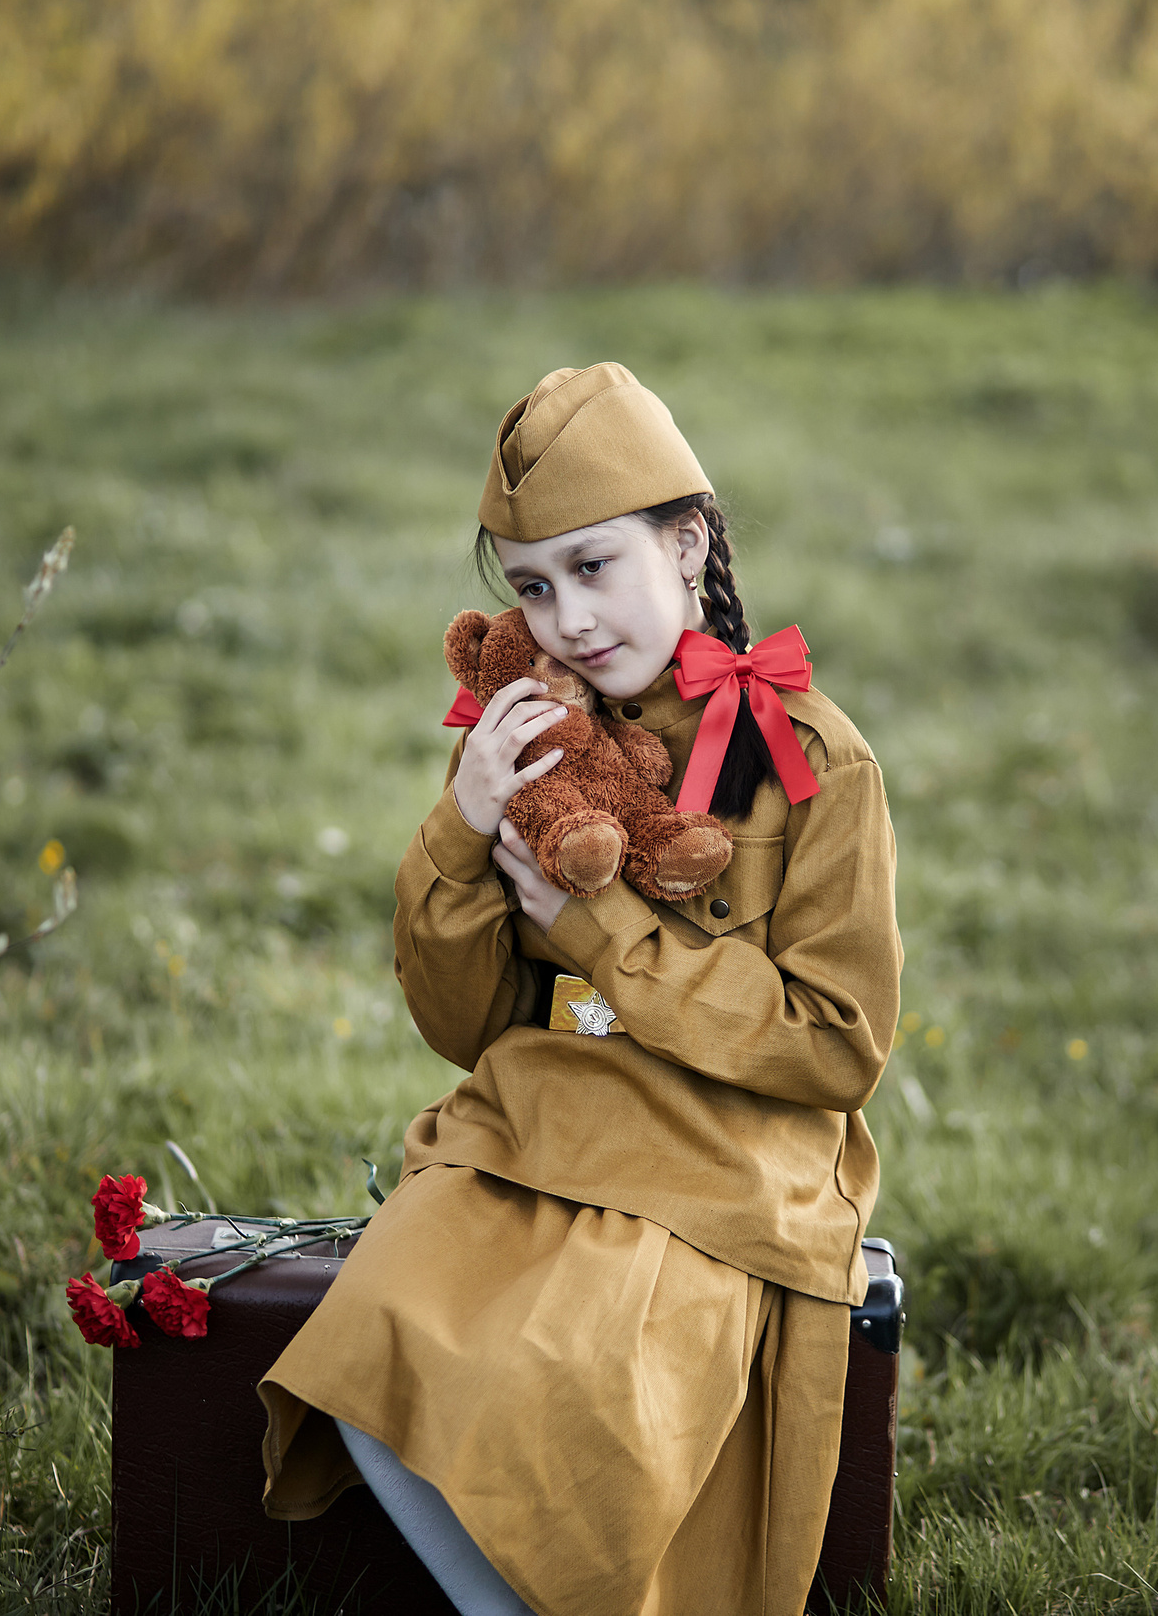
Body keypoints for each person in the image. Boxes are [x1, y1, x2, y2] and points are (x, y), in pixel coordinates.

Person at [258, 362, 902, 1615]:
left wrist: (611, 938)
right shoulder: (527, 740)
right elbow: (464, 1028)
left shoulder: (812, 758)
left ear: (689, 538)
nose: (567, 620)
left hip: (722, 1162)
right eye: (533, 588)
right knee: (374, 1335)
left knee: (584, 1383)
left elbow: (838, 1048)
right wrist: (459, 831)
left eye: (596, 567)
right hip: (532, 1126)